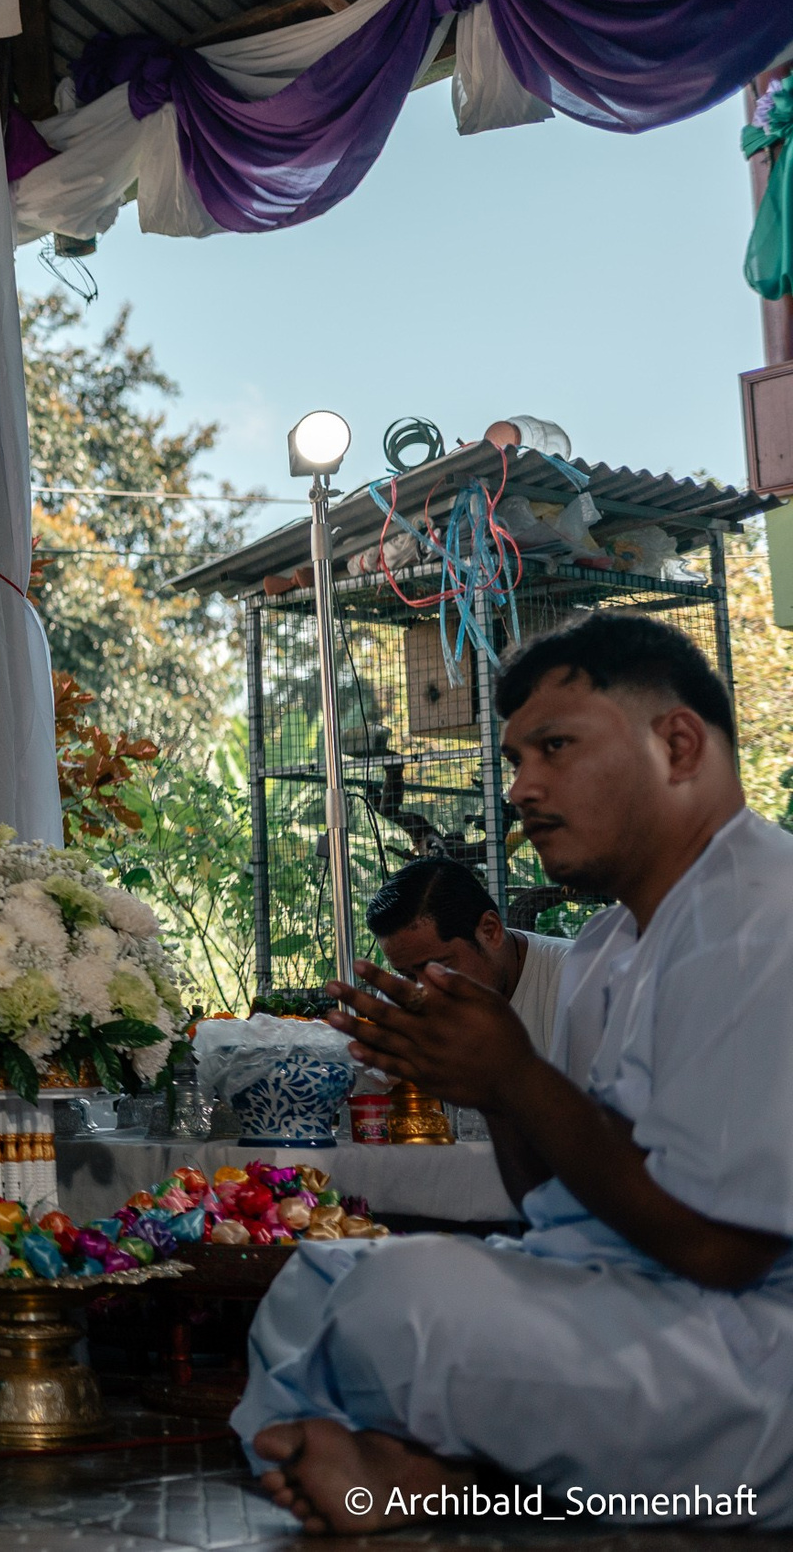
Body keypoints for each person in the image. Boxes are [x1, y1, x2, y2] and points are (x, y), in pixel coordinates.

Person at [236, 614, 793, 1532]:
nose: (524, 789)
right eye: (516, 758)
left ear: (679, 744)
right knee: (319, 1280)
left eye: (557, 748)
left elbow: (725, 1250)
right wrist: (491, 1085)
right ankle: (426, 1469)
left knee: (400, 1302)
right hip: (630, 1292)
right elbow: (551, 1206)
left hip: (750, 1347)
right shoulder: (610, 942)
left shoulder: (758, 915)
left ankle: (442, 1473)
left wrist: (517, 1076)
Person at [363, 857, 569, 1058]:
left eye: (437, 970)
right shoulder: (401, 999)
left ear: (490, 931)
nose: (423, 993)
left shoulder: (578, 979)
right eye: (407, 975)